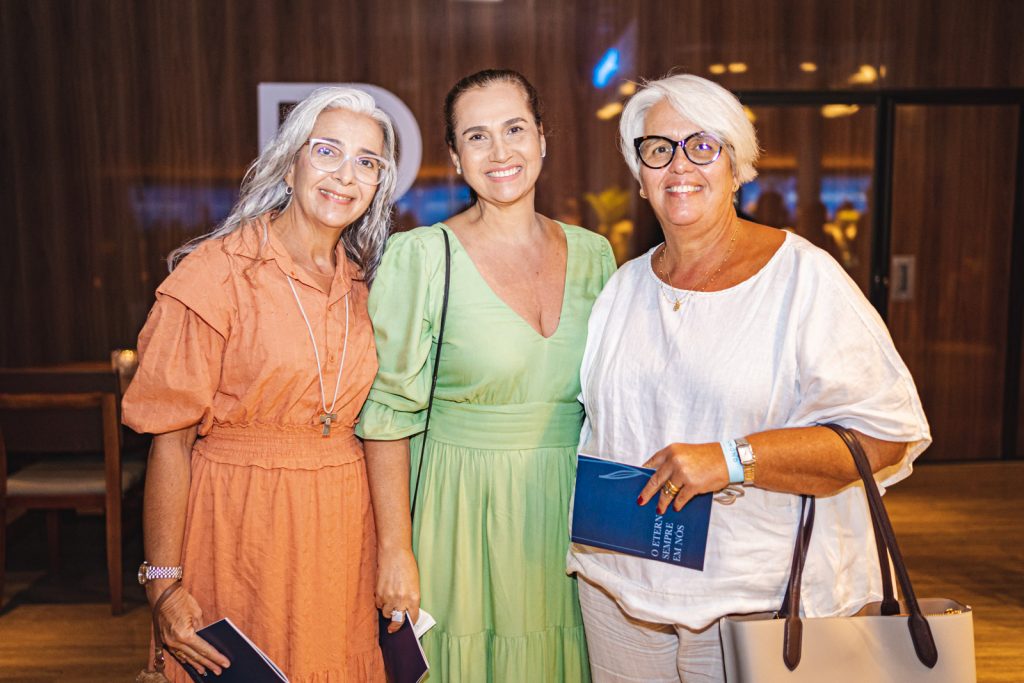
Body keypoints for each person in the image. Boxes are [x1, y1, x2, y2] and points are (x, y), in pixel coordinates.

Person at [567, 74, 931, 682]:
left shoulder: (803, 281)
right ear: (639, 173)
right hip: (619, 587)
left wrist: (732, 459)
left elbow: (887, 435)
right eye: (658, 148)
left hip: (758, 597)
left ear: (736, 167)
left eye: (702, 146)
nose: (679, 165)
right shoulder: (623, 286)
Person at [122, 86, 398, 682]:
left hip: (342, 535)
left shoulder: (365, 284)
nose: (345, 175)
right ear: (291, 158)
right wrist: (163, 585)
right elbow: (168, 440)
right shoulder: (217, 274)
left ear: (379, 183)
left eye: (366, 161)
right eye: (327, 151)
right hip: (240, 529)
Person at [357, 69, 616, 682]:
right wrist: (395, 549)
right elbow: (385, 414)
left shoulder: (596, 254)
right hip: (458, 512)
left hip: (570, 517)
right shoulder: (419, 256)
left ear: (543, 139)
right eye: (477, 137)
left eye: (514, 129)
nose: (500, 152)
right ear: (454, 157)